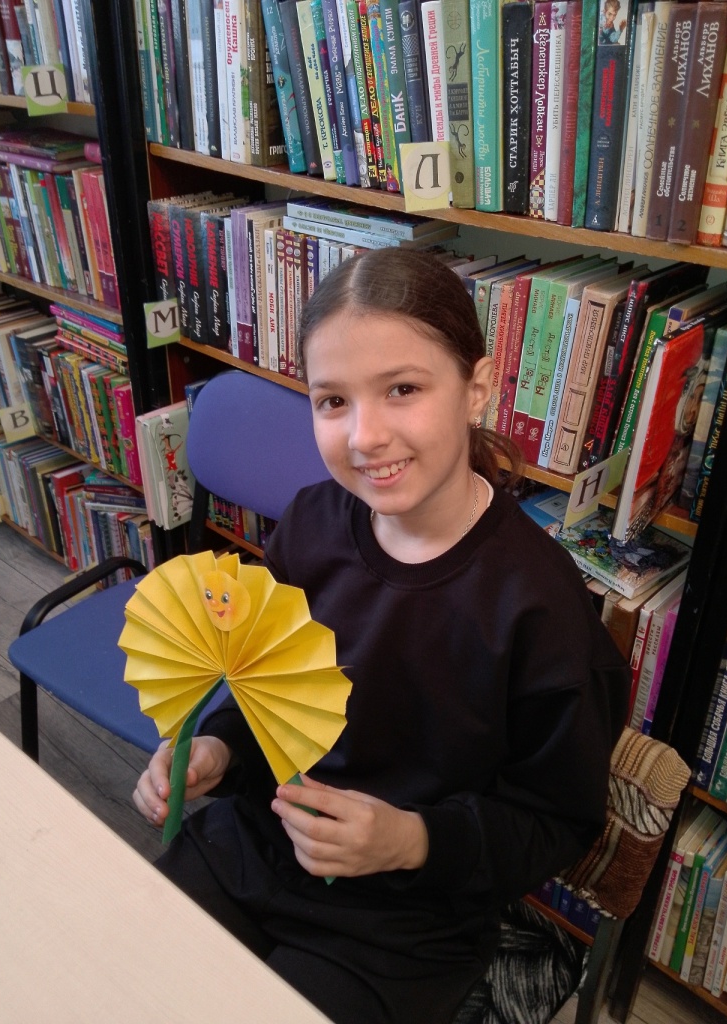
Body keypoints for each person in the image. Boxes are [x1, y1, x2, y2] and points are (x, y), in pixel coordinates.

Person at [134, 248, 630, 1024]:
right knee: (124, 976)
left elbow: (556, 822)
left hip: (406, 922)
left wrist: (410, 840)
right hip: (255, 847)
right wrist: (219, 747)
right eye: (333, 401)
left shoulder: (541, 608)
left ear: (478, 388)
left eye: (402, 389)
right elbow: (266, 688)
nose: (365, 436)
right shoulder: (309, 524)